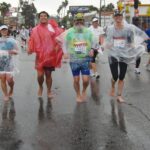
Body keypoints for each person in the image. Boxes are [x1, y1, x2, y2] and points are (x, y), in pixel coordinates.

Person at [105, 10, 148, 103]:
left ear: (122, 17)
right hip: (113, 55)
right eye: (116, 17)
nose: (118, 18)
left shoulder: (128, 29)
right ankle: (112, 86)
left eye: (120, 16)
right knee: (115, 76)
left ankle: (119, 95)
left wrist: (132, 45)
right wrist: (109, 45)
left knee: (121, 76)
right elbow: (108, 41)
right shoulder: (110, 29)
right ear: (114, 18)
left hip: (124, 55)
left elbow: (131, 40)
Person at [60, 13, 94, 103]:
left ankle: (84, 91)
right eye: (77, 21)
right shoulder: (69, 32)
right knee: (76, 79)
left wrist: (92, 50)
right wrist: (65, 53)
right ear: (74, 22)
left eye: (81, 21)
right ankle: (78, 94)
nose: (79, 23)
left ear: (83, 22)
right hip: (74, 59)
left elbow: (93, 42)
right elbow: (64, 43)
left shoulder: (88, 32)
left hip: (85, 58)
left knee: (86, 80)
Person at [28, 11, 63, 98]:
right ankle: (40, 87)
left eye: (45, 16)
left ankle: (49, 91)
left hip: (50, 56)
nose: (43, 17)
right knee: (40, 76)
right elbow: (32, 40)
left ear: (48, 17)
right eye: (41, 16)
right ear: (39, 18)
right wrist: (30, 48)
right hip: (40, 56)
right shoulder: (35, 29)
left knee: (48, 74)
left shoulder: (52, 28)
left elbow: (59, 38)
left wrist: (57, 47)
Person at [0, 25, 19, 101]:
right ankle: (5, 94)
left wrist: (13, 51)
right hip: (0, 63)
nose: (4, 31)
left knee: (9, 80)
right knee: (2, 79)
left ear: (7, 31)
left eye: (5, 30)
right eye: (2, 30)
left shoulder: (12, 40)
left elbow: (17, 51)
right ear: (0, 31)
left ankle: (11, 87)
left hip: (9, 63)